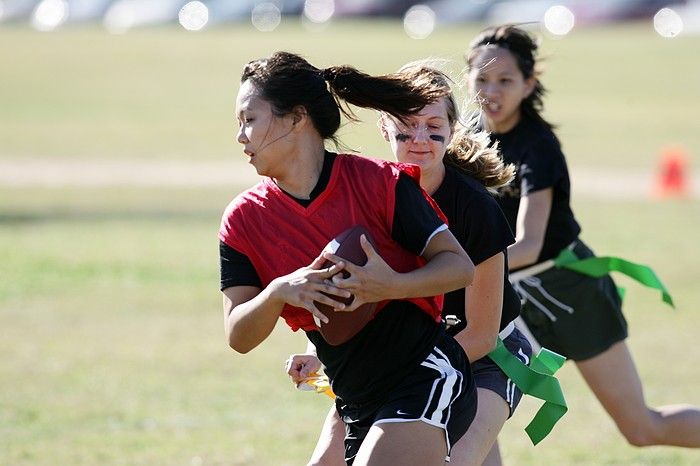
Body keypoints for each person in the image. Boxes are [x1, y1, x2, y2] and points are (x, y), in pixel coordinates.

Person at [220, 51, 478, 466]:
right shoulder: (243, 220)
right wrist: (278, 292)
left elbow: (459, 267)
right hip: (355, 400)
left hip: (426, 372)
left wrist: (389, 285)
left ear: (296, 118)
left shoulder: (378, 183)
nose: (241, 136)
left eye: (250, 119)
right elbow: (238, 336)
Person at [287, 62, 534, 466]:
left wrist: (401, 375)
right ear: (385, 129)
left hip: (488, 358)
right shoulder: (368, 192)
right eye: (406, 125)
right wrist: (319, 352)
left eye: (433, 124)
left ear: (452, 129)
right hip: (399, 360)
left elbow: (482, 334)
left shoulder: (476, 209)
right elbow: (349, 292)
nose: (420, 138)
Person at [465, 24, 700, 449]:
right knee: (471, 411)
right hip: (504, 294)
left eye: (505, 81)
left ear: (529, 84)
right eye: (481, 79)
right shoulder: (463, 136)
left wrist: (459, 272)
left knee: (641, 428)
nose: (490, 92)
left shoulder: (538, 145)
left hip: (568, 287)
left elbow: (531, 244)